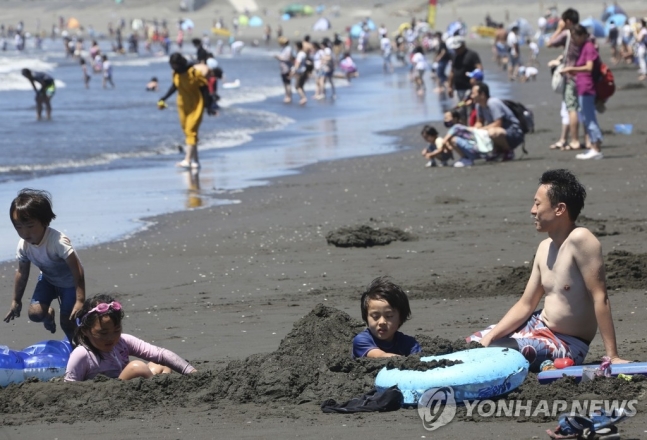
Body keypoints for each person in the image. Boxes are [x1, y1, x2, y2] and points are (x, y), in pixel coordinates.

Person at [467, 169, 630, 372]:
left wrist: (612, 356)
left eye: (537, 204)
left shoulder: (581, 239)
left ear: (559, 209)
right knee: (472, 344)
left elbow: (600, 298)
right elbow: (526, 304)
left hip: (567, 343)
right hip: (536, 326)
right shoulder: (544, 247)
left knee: (496, 350)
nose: (532, 211)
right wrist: (491, 335)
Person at [3, 189, 85, 342]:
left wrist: (80, 300)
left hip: (69, 284)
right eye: (18, 227)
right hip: (48, 280)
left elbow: (77, 269)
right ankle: (49, 316)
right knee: (35, 314)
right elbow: (22, 272)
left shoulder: (58, 242)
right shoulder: (24, 245)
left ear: (45, 221)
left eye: (29, 226)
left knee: (67, 322)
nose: (24, 233)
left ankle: (78, 351)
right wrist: (16, 300)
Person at [65, 293, 197, 381]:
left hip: (124, 383)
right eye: (103, 333)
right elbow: (69, 388)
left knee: (161, 365)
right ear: (85, 331)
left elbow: (161, 354)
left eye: (116, 330)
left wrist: (193, 374)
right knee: (137, 367)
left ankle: (159, 387)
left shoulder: (123, 341)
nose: (111, 338)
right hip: (107, 395)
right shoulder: (82, 354)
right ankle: (157, 390)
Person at [158, 52, 215, 169]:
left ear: (180, 63)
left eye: (175, 65)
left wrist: (208, 106)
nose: (173, 67)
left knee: (191, 131)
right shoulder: (176, 74)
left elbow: (204, 89)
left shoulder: (193, 72)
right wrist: (164, 98)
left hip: (196, 105)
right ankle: (196, 161)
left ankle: (187, 160)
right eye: (172, 65)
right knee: (188, 133)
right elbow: (174, 86)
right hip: (182, 106)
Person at [561, 25, 603, 160]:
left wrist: (571, 68)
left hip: (587, 87)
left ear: (582, 35)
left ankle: (596, 148)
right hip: (583, 87)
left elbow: (589, 67)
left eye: (574, 37)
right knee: (586, 117)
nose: (573, 40)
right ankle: (593, 147)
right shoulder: (584, 47)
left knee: (589, 118)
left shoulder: (588, 47)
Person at [352, 276, 421, 358]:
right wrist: (403, 360)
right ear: (366, 317)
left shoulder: (408, 343)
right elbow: (379, 356)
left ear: (400, 318)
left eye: (389, 316)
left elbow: (420, 358)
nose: (382, 322)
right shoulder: (361, 340)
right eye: (375, 316)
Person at [547, 8, 583, 151]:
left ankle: (572, 140)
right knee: (572, 108)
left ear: (567, 21)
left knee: (570, 108)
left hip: (571, 76)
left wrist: (559, 28)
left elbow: (549, 43)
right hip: (582, 75)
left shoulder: (569, 33)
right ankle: (565, 139)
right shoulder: (583, 34)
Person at [473, 82, 524, 161]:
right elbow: (479, 121)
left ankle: (508, 151)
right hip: (502, 131)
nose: (471, 96)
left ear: (482, 94)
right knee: (481, 132)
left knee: (492, 132)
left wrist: (482, 129)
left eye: (473, 93)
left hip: (514, 132)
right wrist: (476, 129)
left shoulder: (493, 103)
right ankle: (498, 151)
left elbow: (498, 123)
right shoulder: (479, 105)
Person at [447, 36, 482, 112]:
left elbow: (479, 68)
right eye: (455, 49)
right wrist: (449, 86)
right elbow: (452, 71)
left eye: (458, 48)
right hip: (457, 89)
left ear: (463, 45)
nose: (456, 50)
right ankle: (462, 123)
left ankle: (470, 123)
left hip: (469, 88)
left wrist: (475, 78)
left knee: (470, 110)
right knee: (459, 109)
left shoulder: (472, 54)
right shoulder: (454, 56)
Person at [274, 36, 293, 103]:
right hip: (283, 68)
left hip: (287, 68)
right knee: (285, 83)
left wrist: (278, 57)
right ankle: (287, 95)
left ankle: (289, 96)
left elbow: (287, 58)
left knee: (287, 83)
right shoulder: (283, 48)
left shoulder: (288, 49)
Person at [291, 41, 309, 105]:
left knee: (297, 86)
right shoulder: (303, 53)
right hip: (304, 71)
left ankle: (303, 98)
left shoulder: (300, 54)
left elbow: (297, 63)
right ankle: (303, 97)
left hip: (300, 72)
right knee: (301, 86)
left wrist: (293, 71)